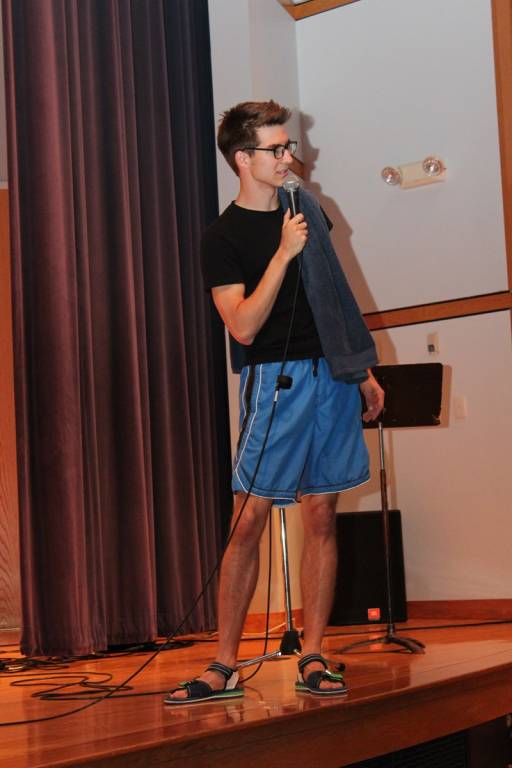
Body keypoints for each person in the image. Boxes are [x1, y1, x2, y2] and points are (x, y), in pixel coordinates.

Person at [165, 100, 384, 705]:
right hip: (275, 380)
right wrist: (283, 253)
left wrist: (361, 371)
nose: (290, 158)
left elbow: (334, 296)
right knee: (248, 522)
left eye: (289, 147)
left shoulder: (307, 209)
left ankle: (313, 654)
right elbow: (241, 325)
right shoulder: (222, 237)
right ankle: (224, 665)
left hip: (332, 376)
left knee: (322, 515)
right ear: (244, 158)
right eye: (277, 149)